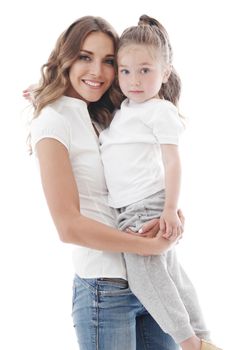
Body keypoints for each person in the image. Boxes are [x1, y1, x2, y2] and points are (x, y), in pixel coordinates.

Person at [26, 15, 186, 350]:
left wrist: (168, 212)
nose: (97, 72)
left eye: (109, 61)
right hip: (104, 287)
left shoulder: (108, 116)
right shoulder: (52, 122)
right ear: (65, 58)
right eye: (85, 57)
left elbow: (136, 181)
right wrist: (148, 245)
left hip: (150, 282)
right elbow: (68, 227)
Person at [99, 15, 222, 350]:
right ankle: (205, 338)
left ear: (165, 72)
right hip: (130, 207)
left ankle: (189, 342)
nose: (134, 80)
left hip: (147, 205)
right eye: (125, 71)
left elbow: (172, 161)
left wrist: (169, 209)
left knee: (144, 275)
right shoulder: (123, 109)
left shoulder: (159, 111)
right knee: (169, 272)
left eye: (145, 70)